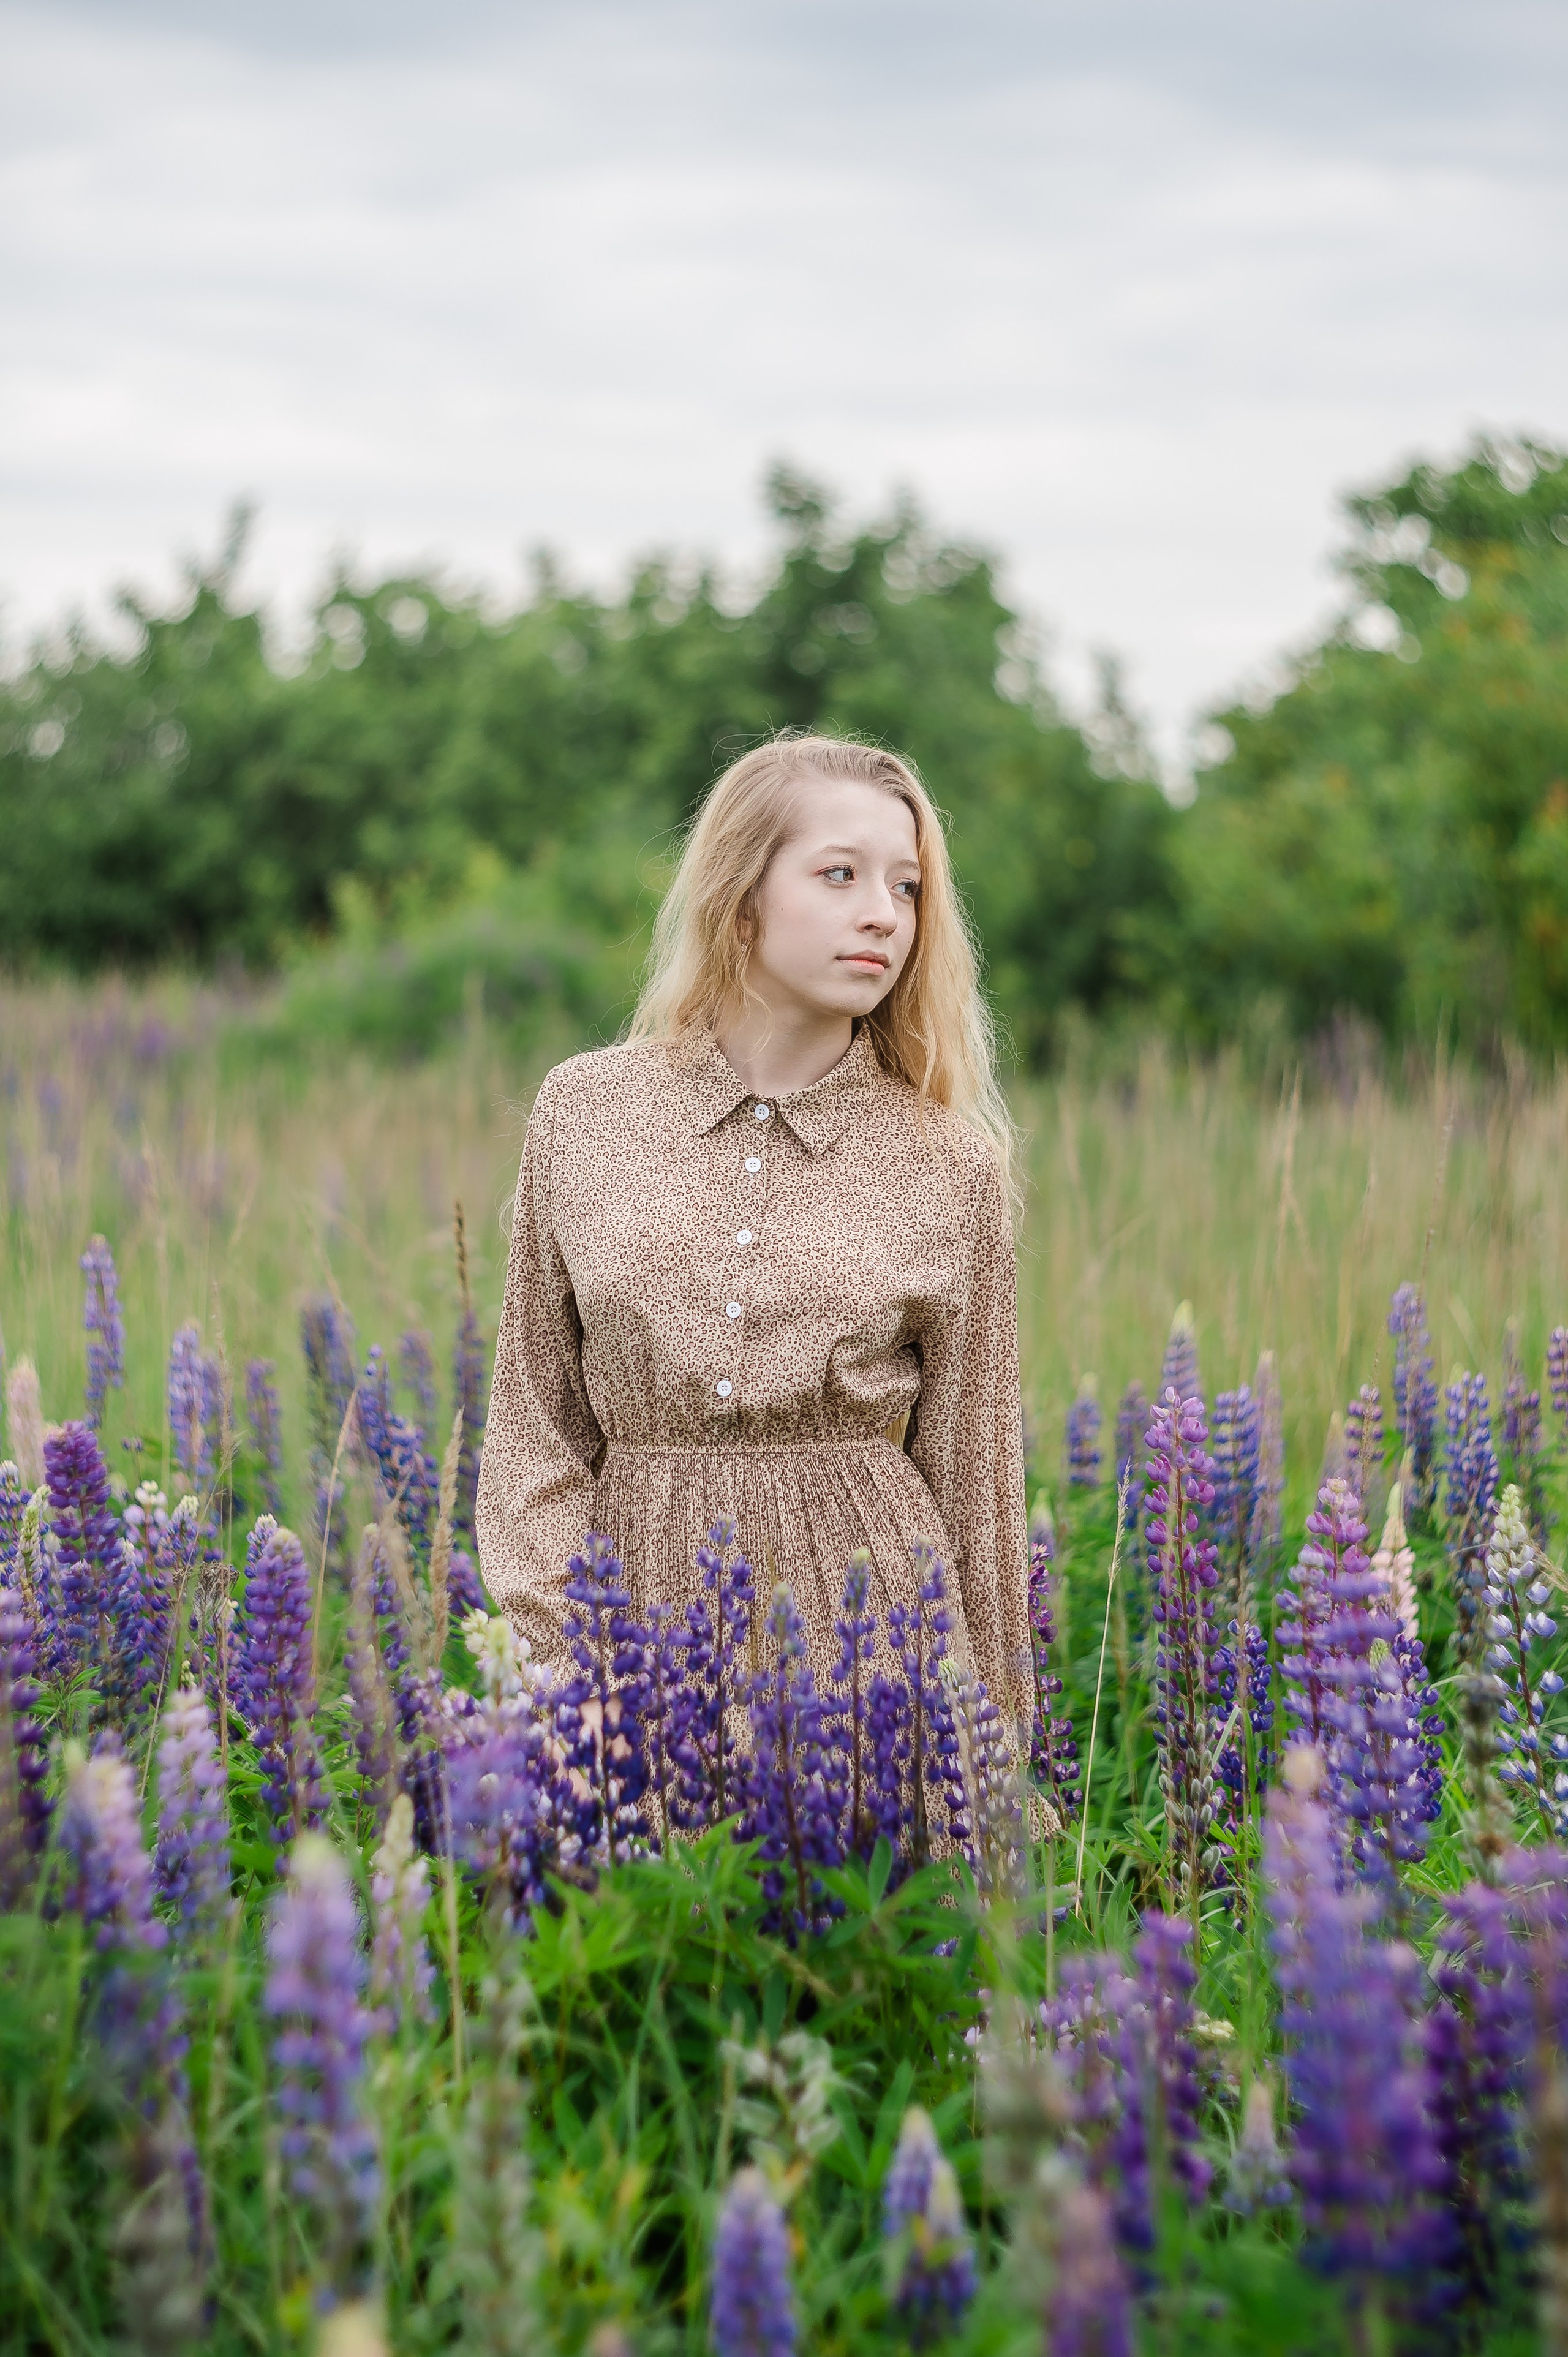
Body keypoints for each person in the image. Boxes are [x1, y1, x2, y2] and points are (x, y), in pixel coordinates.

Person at [475, 733, 1030, 1725]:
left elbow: (977, 1488)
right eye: (840, 874)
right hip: (627, 1645)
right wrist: (565, 1678)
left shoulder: (950, 1163)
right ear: (741, 900)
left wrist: (993, 1772)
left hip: (874, 1660)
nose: (882, 915)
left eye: (906, 888)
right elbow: (534, 1432)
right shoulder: (586, 1111)